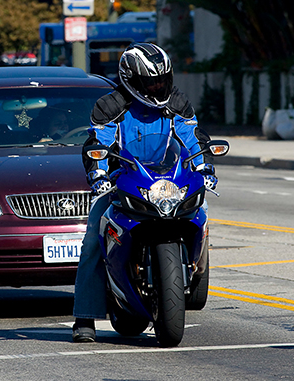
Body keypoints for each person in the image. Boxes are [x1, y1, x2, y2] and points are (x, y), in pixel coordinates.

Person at [71, 42, 218, 342]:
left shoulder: (176, 103)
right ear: (130, 79)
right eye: (150, 81)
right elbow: (96, 144)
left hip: (166, 181)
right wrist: (98, 174)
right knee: (92, 240)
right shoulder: (110, 106)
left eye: (162, 79)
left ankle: (196, 270)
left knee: (199, 215)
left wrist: (206, 168)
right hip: (121, 182)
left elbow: (192, 138)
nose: (157, 86)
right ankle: (84, 317)